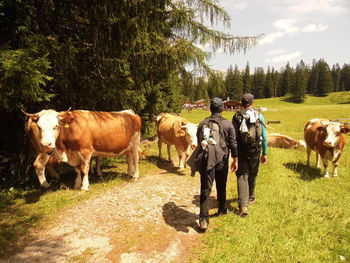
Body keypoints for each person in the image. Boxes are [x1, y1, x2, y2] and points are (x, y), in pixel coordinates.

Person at [195, 97, 238, 231]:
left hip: (207, 159)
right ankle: (222, 208)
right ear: (222, 109)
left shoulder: (203, 123)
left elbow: (199, 141)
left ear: (210, 109)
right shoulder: (228, 124)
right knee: (221, 184)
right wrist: (235, 159)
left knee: (205, 188)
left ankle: (203, 219)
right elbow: (233, 143)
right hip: (222, 159)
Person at [232, 93, 267, 217]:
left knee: (242, 175)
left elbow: (233, 137)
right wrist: (265, 152)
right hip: (255, 150)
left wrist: (234, 155)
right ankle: (251, 197)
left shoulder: (236, 116)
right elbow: (264, 136)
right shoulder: (259, 116)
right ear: (252, 103)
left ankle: (243, 205)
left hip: (241, 151)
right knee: (253, 172)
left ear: (242, 103)